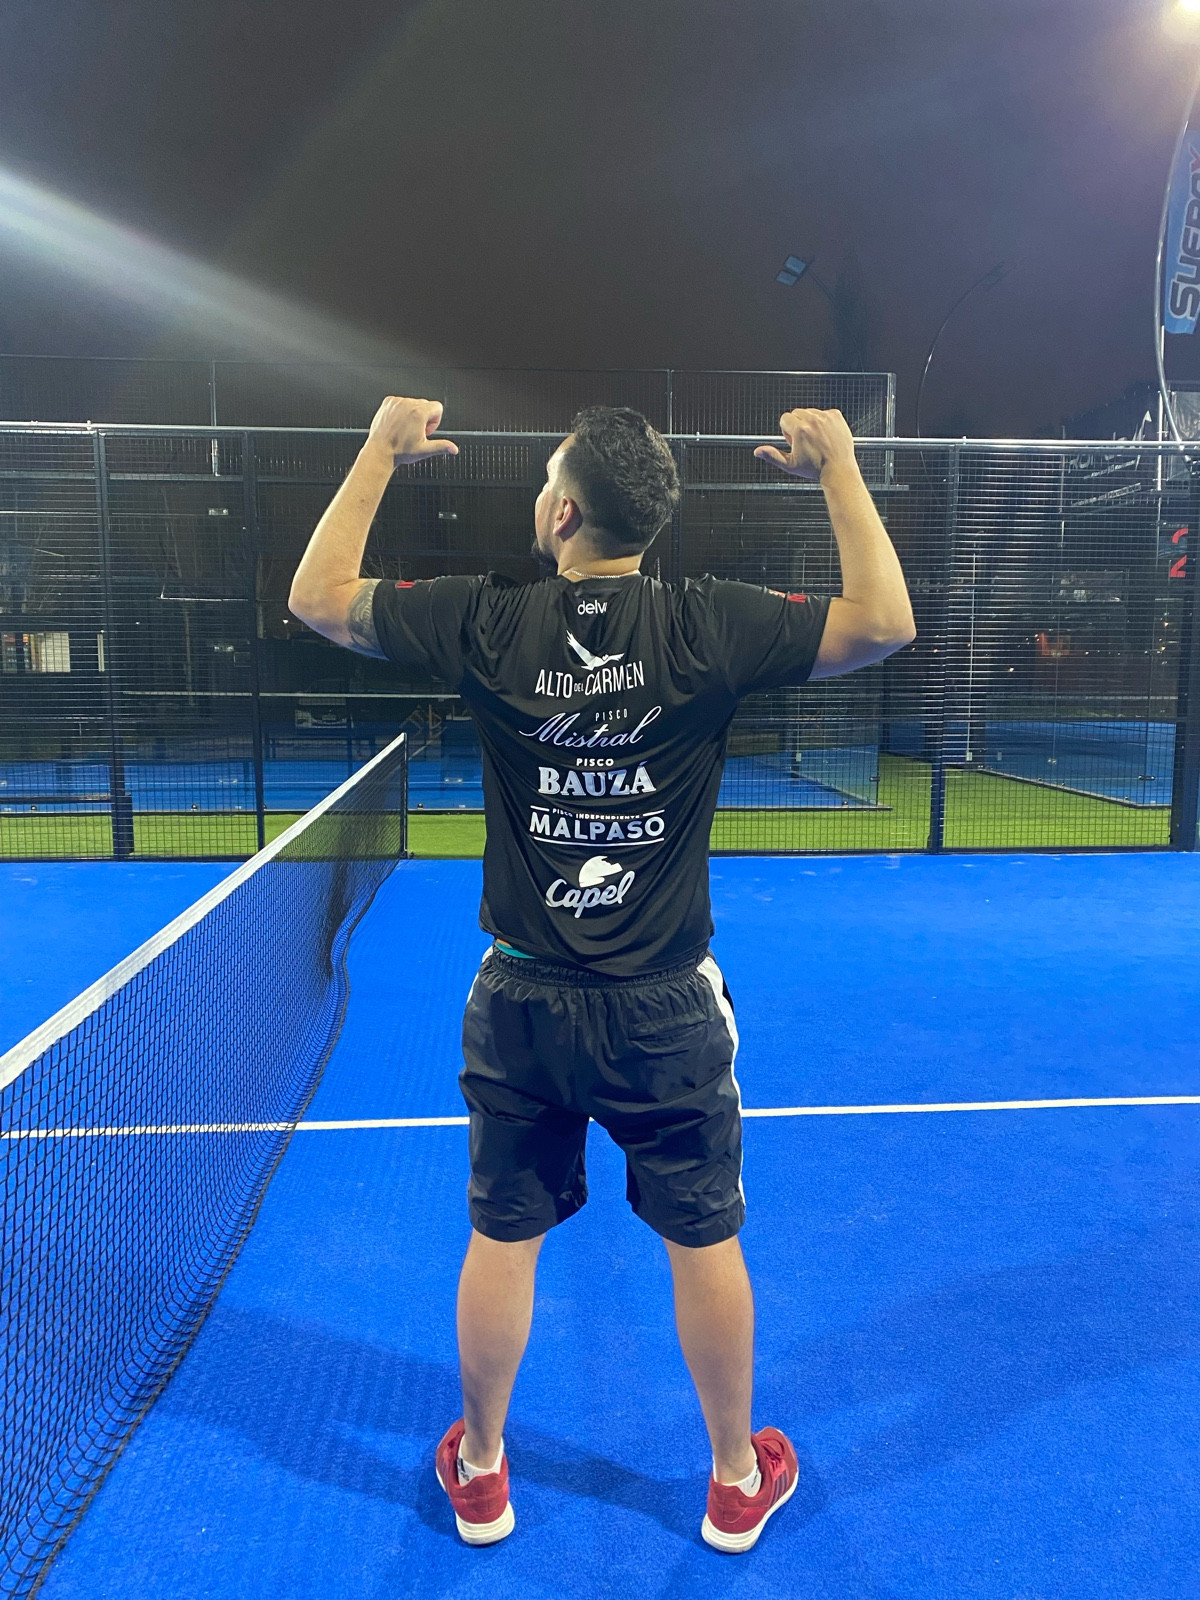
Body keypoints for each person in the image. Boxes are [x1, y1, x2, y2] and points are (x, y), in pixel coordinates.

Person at [289, 397, 914, 1553]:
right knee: (704, 1237)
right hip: (666, 1010)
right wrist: (839, 467)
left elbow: (318, 599)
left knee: (503, 1236)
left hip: (521, 1001)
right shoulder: (707, 622)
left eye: (545, 482)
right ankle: (735, 1479)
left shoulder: (489, 619)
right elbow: (885, 621)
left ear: (566, 514)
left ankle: (482, 1470)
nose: (538, 497)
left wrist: (379, 448)